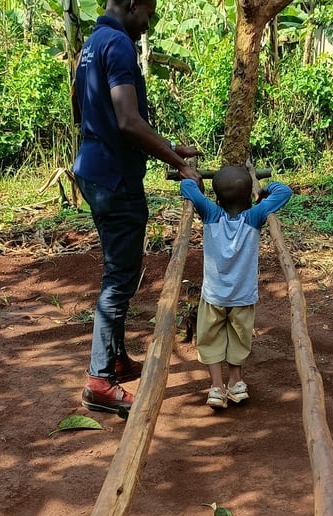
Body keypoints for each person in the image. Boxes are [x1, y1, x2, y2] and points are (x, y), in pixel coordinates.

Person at [73, 0, 203, 414]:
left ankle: (113, 358)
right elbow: (128, 121)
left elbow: (84, 110)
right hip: (115, 180)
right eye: (149, 11)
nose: (149, 22)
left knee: (118, 268)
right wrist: (178, 162)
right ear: (132, 4)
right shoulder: (119, 44)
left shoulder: (92, 42)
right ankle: (99, 381)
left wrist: (170, 147)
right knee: (120, 278)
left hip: (93, 169)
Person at [180, 166, 292, 409]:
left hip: (213, 296)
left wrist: (197, 183)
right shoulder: (255, 216)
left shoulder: (210, 213)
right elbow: (284, 191)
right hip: (243, 296)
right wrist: (265, 190)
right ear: (249, 197)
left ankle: (216, 387)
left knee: (210, 339)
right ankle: (236, 383)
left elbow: (186, 186)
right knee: (239, 339)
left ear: (217, 199)